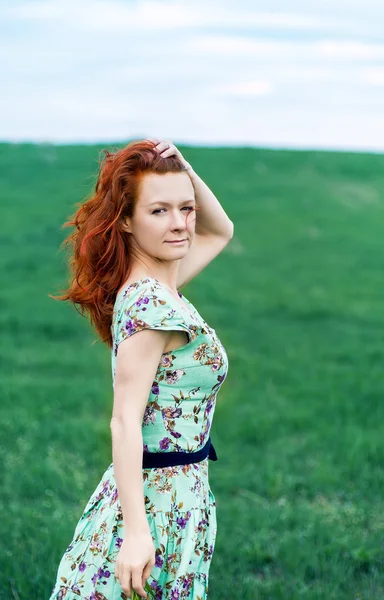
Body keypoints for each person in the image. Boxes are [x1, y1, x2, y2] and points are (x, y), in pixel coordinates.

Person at [47, 138, 234, 600]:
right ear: (126, 221)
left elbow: (220, 230)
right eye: (159, 211)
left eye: (185, 208)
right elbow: (125, 419)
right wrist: (136, 534)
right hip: (155, 502)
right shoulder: (151, 307)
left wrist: (182, 167)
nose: (180, 224)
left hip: (181, 497)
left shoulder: (160, 287)